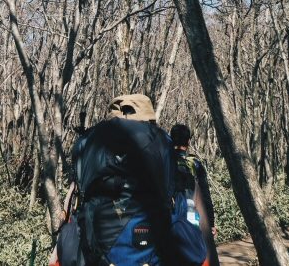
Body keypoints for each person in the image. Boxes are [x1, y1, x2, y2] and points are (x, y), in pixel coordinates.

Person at [53, 94, 205, 266]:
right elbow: (170, 194)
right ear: (148, 116)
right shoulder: (162, 140)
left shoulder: (87, 140)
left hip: (94, 253)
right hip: (152, 253)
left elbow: (76, 196)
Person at [170, 124, 220, 266]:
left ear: (171, 139)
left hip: (171, 220)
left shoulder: (166, 162)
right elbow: (205, 196)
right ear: (189, 141)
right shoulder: (195, 164)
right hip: (194, 219)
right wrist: (211, 223)